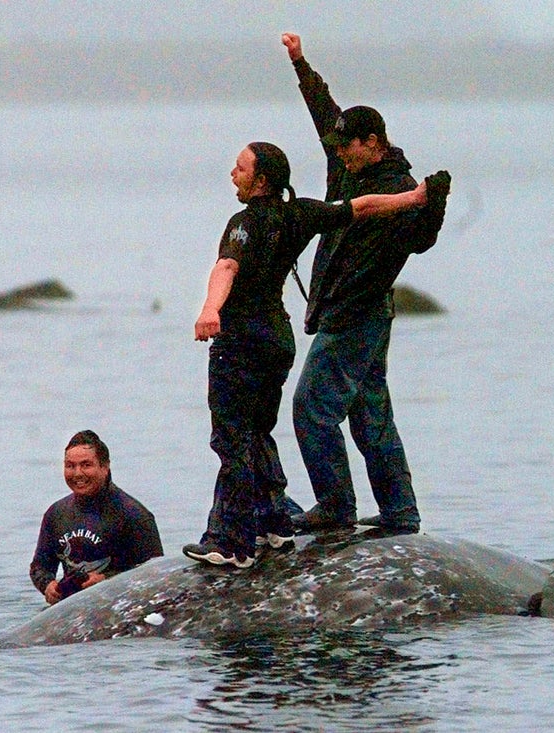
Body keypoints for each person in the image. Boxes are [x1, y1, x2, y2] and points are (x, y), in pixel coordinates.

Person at [182, 141, 449, 568]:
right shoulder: (300, 214)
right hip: (277, 340)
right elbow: (361, 207)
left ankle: (230, 542)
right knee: (259, 432)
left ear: (261, 180)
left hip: (242, 343)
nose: (233, 174)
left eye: (240, 168)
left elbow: (226, 266)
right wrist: (415, 198)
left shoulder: (243, 223)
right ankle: (274, 524)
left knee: (232, 440)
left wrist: (210, 309)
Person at [280, 32, 451, 534]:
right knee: (370, 415)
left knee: (311, 408)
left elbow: (421, 241)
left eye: (347, 148)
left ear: (373, 142)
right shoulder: (346, 165)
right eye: (337, 148)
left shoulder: (400, 189)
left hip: (357, 315)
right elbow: (323, 111)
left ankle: (336, 506)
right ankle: (401, 512)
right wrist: (300, 64)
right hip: (358, 314)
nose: (340, 155)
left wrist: (434, 204)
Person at [30, 430, 163, 604]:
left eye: (86, 465)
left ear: (105, 467)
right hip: (74, 609)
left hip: (123, 607)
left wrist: (107, 581)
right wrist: (48, 585)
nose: (77, 473)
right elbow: (39, 567)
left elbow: (155, 575)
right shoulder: (56, 514)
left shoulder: (134, 515)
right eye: (70, 466)